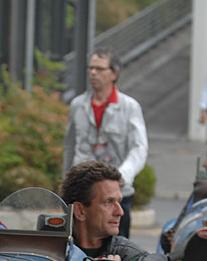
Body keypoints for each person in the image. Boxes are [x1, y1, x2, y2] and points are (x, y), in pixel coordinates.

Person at [63, 47, 148, 239]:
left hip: (117, 192)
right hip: (83, 193)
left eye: (100, 69)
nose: (93, 73)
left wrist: (122, 175)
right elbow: (69, 146)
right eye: (91, 68)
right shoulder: (78, 105)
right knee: (77, 245)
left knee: (116, 249)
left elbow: (139, 148)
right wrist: (66, 184)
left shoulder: (129, 107)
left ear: (114, 74)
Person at [60, 161, 152, 261]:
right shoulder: (46, 249)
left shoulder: (131, 256)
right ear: (80, 211)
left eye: (118, 202)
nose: (120, 212)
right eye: (108, 202)